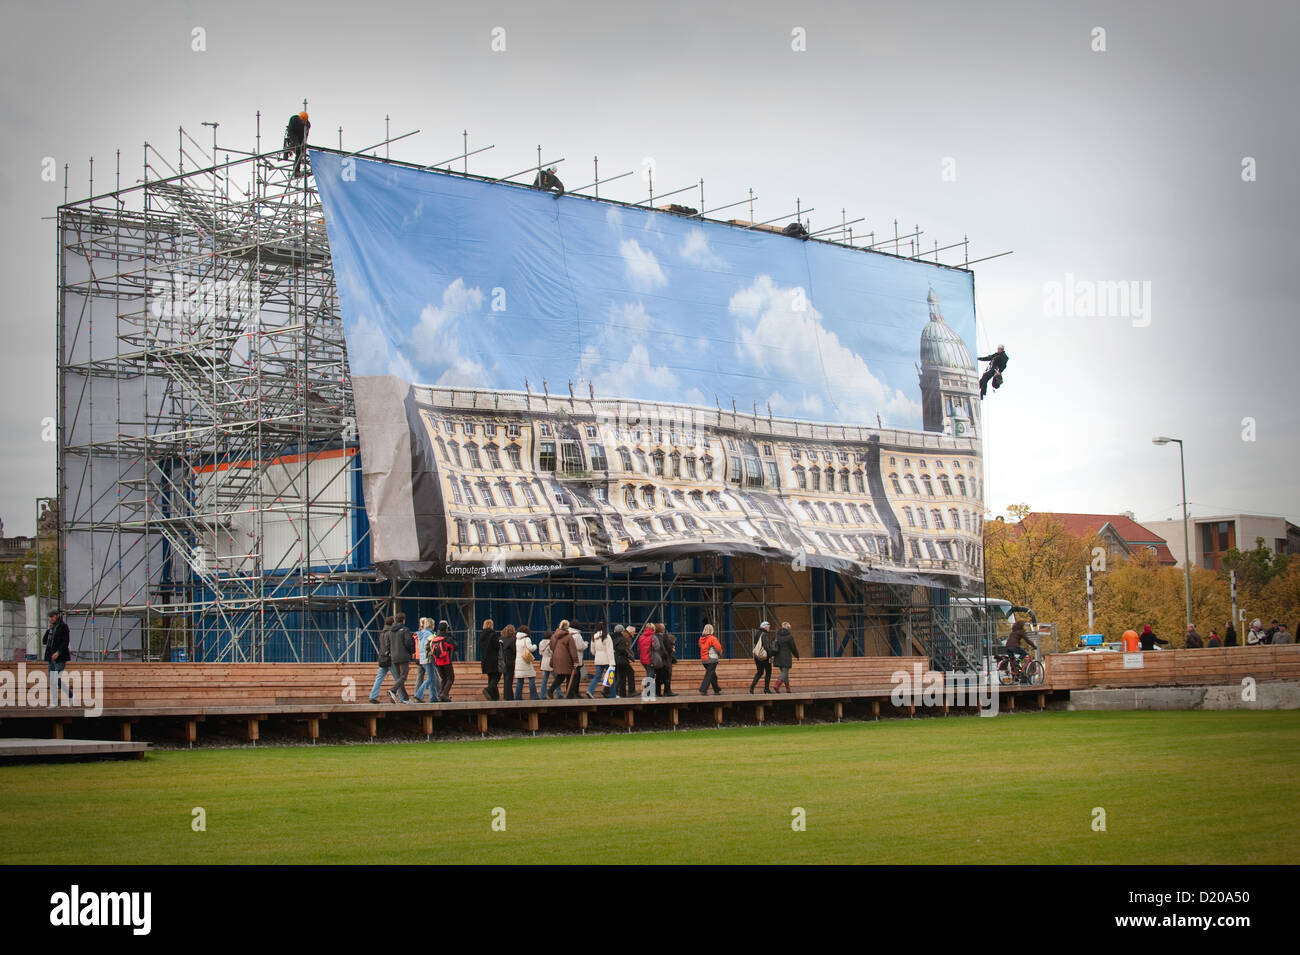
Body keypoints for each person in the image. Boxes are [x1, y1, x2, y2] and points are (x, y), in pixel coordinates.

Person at [42, 610, 74, 706]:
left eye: (52, 616)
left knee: (55, 679)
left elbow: (65, 641)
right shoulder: (51, 628)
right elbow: (44, 641)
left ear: (57, 616)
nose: (51, 618)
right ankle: (55, 702)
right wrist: (48, 630)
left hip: (60, 658)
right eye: (49, 617)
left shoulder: (63, 627)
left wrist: (58, 652)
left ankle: (70, 696)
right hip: (51, 658)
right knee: (52, 680)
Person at [388, 612, 415, 703]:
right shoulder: (405, 629)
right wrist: (411, 652)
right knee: (403, 677)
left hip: (394, 656)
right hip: (403, 656)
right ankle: (393, 690)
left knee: (400, 678)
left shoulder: (391, 631)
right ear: (403, 620)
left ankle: (405, 698)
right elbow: (408, 642)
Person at [368, 617, 395, 703]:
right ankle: (402, 698)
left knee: (379, 678)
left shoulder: (382, 633)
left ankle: (373, 696)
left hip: (382, 658)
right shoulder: (391, 633)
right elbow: (390, 645)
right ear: (392, 623)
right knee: (398, 678)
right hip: (390, 659)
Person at [413, 617, 439, 702]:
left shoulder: (421, 633)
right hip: (428, 658)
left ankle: (433, 697)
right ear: (431, 625)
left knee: (432, 678)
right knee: (431, 678)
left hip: (422, 658)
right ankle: (419, 694)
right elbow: (430, 647)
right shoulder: (429, 634)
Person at [549, 621, 577, 699]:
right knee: (570, 676)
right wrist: (575, 660)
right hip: (567, 660)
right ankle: (569, 695)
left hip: (556, 659)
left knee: (560, 676)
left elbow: (551, 647)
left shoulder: (554, 636)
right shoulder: (569, 637)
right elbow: (573, 650)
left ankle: (551, 690)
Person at [431, 621, 457, 702]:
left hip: (437, 661)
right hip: (446, 661)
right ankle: (444, 694)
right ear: (446, 629)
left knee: (443, 678)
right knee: (451, 678)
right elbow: (455, 647)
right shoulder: (447, 639)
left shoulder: (435, 639)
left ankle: (440, 695)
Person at [771, 622, 799, 692]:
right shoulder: (789, 637)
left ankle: (788, 689)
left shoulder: (776, 636)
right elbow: (793, 647)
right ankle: (777, 685)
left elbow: (773, 645)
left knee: (785, 673)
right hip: (786, 657)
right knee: (784, 672)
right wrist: (796, 655)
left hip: (778, 657)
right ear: (788, 628)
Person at [587, 628, 614, 698]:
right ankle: (612, 694)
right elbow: (610, 650)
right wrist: (612, 661)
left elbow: (592, 650)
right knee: (611, 677)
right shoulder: (607, 636)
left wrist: (598, 654)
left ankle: (590, 690)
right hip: (607, 660)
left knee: (597, 676)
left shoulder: (594, 637)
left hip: (598, 659)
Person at [514, 626, 539, 700]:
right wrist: (535, 646)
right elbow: (530, 648)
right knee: (531, 678)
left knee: (520, 680)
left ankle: (518, 697)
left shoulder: (517, 639)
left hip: (518, 662)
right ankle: (534, 696)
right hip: (526, 661)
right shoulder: (527, 639)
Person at [479, 619, 502, 700]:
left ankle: (494, 697)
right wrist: (500, 642)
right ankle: (488, 690)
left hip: (485, 659)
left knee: (491, 677)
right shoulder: (493, 634)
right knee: (496, 676)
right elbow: (496, 646)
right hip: (493, 660)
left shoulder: (482, 635)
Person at [283, 110, 310, 178]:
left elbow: (306, 135)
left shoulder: (307, 125)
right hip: (293, 134)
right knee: (293, 144)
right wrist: (296, 143)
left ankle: (296, 171)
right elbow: (291, 132)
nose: (302, 122)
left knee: (299, 151)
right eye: (302, 121)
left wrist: (303, 144)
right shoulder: (293, 120)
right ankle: (286, 152)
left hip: (301, 136)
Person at [750, 621, 774, 694]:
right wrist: (770, 655)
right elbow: (766, 646)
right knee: (768, 672)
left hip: (757, 656)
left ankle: (752, 688)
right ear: (765, 627)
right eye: (768, 627)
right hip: (765, 657)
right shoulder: (765, 634)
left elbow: (756, 643)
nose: (769, 628)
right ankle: (766, 689)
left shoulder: (757, 633)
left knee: (759, 672)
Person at [698, 624, 723, 695]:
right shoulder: (712, 638)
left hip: (704, 659)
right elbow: (718, 648)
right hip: (712, 659)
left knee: (712, 675)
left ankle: (716, 690)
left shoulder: (701, 639)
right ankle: (703, 689)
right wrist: (720, 654)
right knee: (709, 675)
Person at [612, 624, 636, 698]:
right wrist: (629, 656)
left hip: (615, 659)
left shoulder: (612, 637)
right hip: (622, 659)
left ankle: (622, 693)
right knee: (630, 672)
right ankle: (631, 691)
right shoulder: (622, 638)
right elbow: (623, 649)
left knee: (621, 676)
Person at [653, 623, 677, 697]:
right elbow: (668, 648)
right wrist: (671, 651)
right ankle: (667, 691)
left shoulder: (654, 636)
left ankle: (657, 692)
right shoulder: (664, 636)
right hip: (665, 660)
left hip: (656, 659)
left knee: (658, 677)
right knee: (667, 675)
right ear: (662, 629)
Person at [638, 624, 657, 699]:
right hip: (650, 658)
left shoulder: (641, 637)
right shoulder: (653, 637)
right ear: (653, 629)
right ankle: (647, 692)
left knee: (649, 674)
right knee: (650, 675)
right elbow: (656, 647)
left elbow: (638, 648)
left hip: (643, 659)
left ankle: (649, 692)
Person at [568, 627, 589, 699]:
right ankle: (576, 693)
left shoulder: (568, 634)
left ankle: (572, 693)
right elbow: (580, 646)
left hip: (570, 658)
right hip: (577, 658)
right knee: (577, 677)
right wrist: (586, 644)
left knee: (572, 677)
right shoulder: (577, 635)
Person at [499, 624, 517, 701]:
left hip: (502, 661)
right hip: (510, 662)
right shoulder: (512, 640)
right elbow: (514, 651)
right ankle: (509, 697)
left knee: (505, 679)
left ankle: (506, 696)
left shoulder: (501, 638)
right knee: (509, 680)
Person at [538, 630, 555, 699]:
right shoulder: (551, 643)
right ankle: (559, 693)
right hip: (551, 662)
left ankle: (543, 695)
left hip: (543, 661)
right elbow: (552, 652)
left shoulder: (541, 643)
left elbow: (540, 653)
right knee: (557, 679)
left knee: (544, 680)